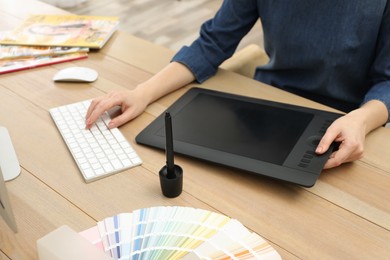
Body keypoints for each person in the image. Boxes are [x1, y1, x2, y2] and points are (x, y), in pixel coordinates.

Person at [85, 0, 390, 169]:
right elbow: (212, 44)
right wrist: (142, 93)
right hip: (267, 111)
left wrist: (361, 120)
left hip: (344, 122)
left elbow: (386, 81)